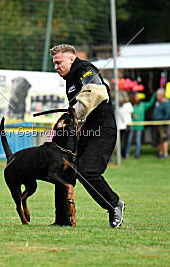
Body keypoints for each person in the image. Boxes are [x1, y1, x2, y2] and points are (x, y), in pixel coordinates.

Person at [50, 44, 124, 228]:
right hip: (85, 132)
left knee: (87, 171)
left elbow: (96, 92)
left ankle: (114, 205)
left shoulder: (85, 69)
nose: (56, 67)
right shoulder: (70, 78)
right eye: (54, 63)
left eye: (59, 62)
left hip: (102, 130)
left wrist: (71, 115)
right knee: (63, 170)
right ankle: (63, 220)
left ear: (72, 59)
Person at [125, 92, 155, 159]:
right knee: (129, 140)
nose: (137, 97)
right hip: (132, 126)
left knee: (138, 141)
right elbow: (128, 115)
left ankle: (137, 154)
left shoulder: (143, 105)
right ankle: (127, 154)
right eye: (136, 96)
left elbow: (150, 103)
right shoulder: (131, 106)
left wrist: (154, 95)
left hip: (139, 126)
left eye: (138, 96)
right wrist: (133, 117)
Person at [153, 89, 170, 158]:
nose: (156, 96)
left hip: (163, 124)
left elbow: (168, 115)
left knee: (164, 138)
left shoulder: (166, 104)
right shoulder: (157, 102)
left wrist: (163, 123)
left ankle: (165, 153)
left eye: (158, 95)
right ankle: (160, 153)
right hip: (157, 124)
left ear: (162, 95)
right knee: (159, 139)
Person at [116, 90, 133, 158]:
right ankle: (125, 154)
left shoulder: (117, 105)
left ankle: (120, 153)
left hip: (119, 125)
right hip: (127, 124)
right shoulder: (128, 105)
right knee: (127, 141)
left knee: (120, 141)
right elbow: (131, 112)